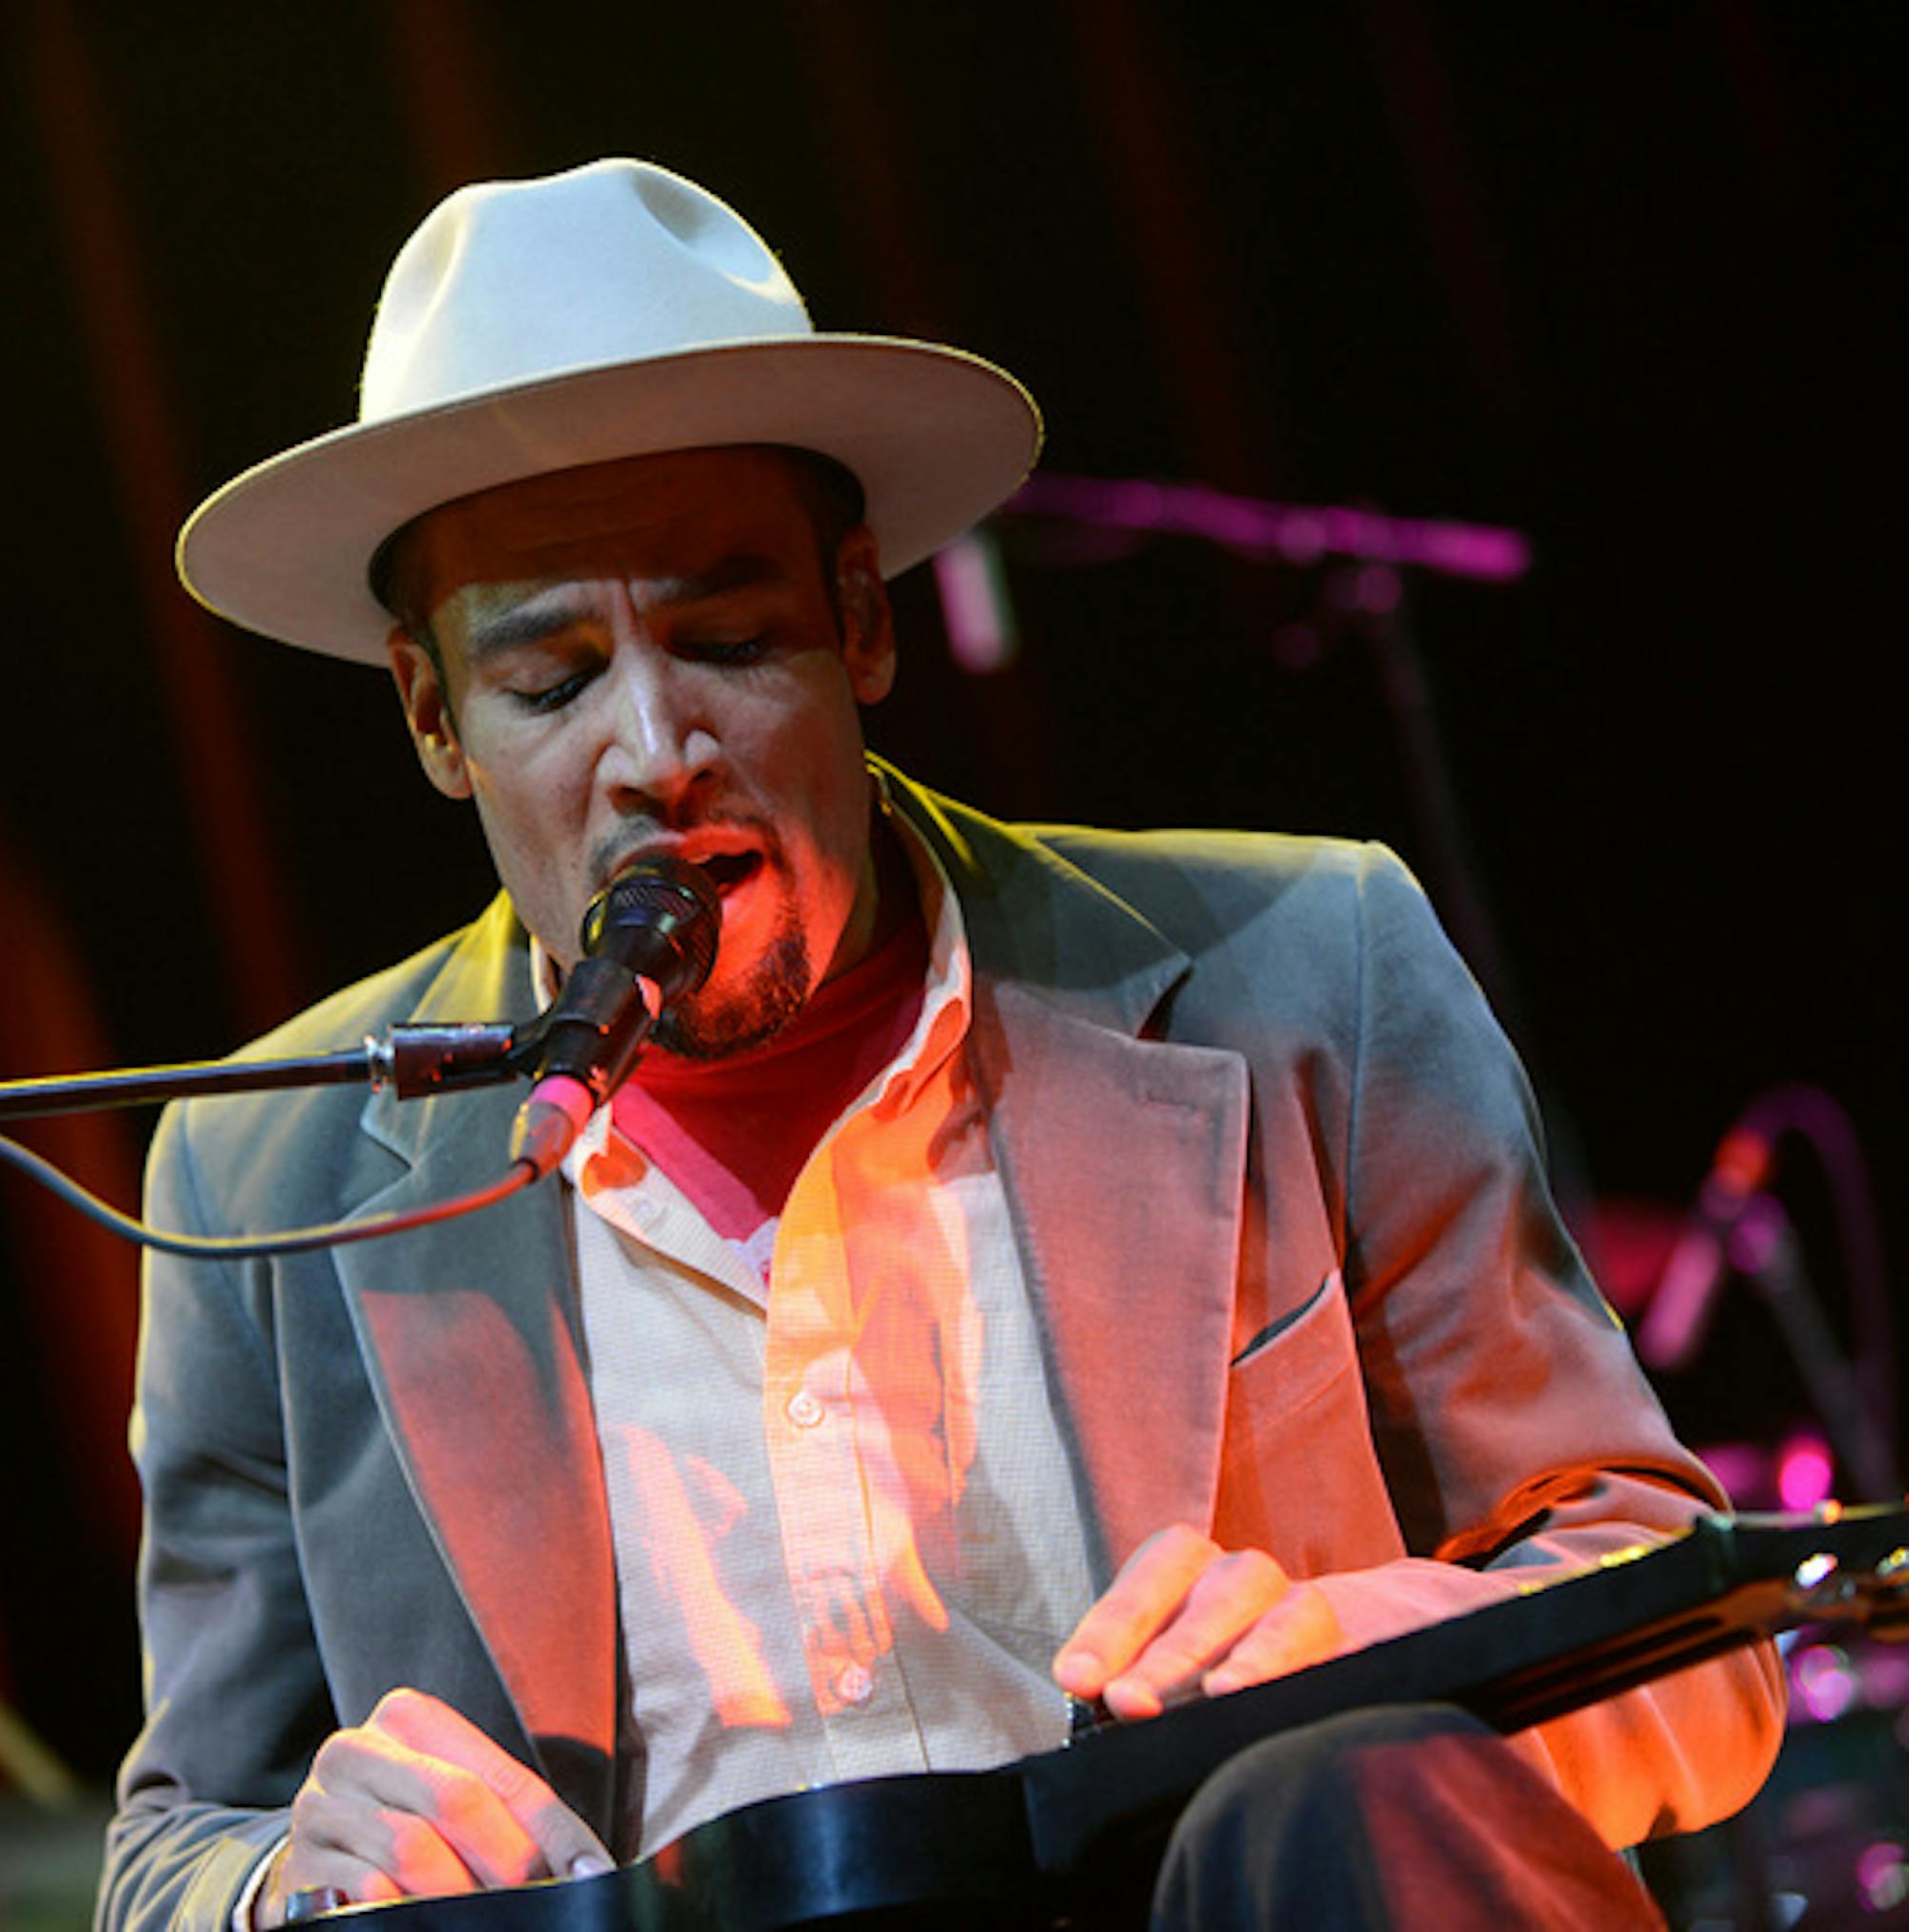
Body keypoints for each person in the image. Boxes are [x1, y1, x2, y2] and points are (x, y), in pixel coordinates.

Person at [97, 159, 1783, 1930]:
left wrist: (1400, 1682)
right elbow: (166, 1854)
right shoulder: (253, 1176)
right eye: (550, 680)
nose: (655, 748)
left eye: (729, 637)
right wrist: (289, 1881)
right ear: (433, 717)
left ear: (864, 619)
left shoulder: (1308, 968)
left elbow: (1700, 1637)